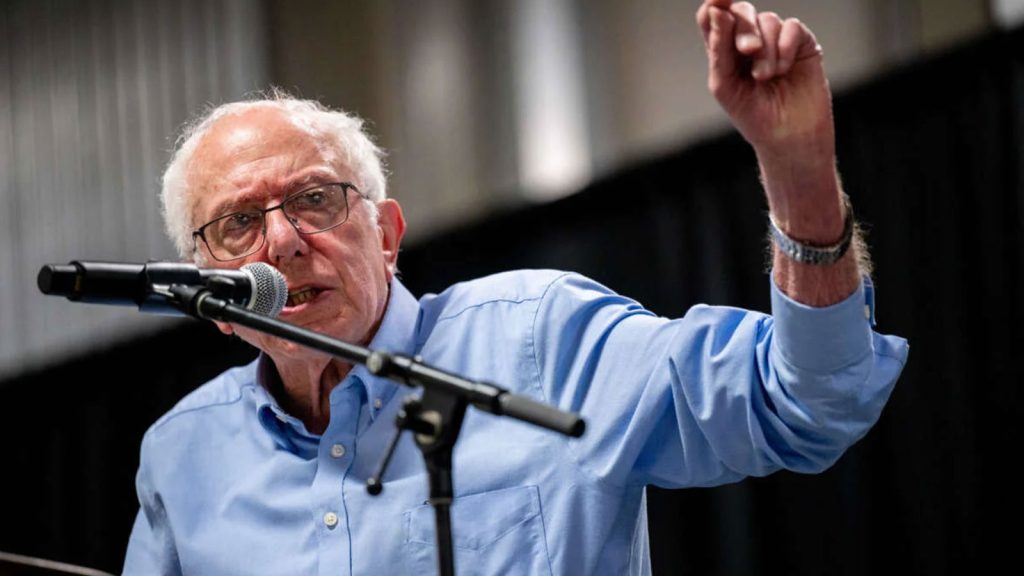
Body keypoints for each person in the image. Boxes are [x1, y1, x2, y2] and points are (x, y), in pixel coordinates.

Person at [123, 1, 908, 574]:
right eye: (238, 225)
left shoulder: (546, 341)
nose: (286, 241)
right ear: (212, 299)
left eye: (314, 200)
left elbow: (808, 399)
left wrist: (797, 169)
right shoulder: (182, 457)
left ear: (388, 236)